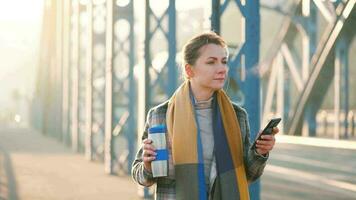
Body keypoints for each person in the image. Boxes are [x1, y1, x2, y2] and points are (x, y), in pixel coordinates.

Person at [132, 32, 279, 200]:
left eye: (224, 62)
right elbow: (139, 175)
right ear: (189, 70)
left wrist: (259, 152)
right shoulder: (160, 115)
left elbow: (248, 175)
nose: (222, 68)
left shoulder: (237, 116)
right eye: (211, 62)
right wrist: (147, 166)